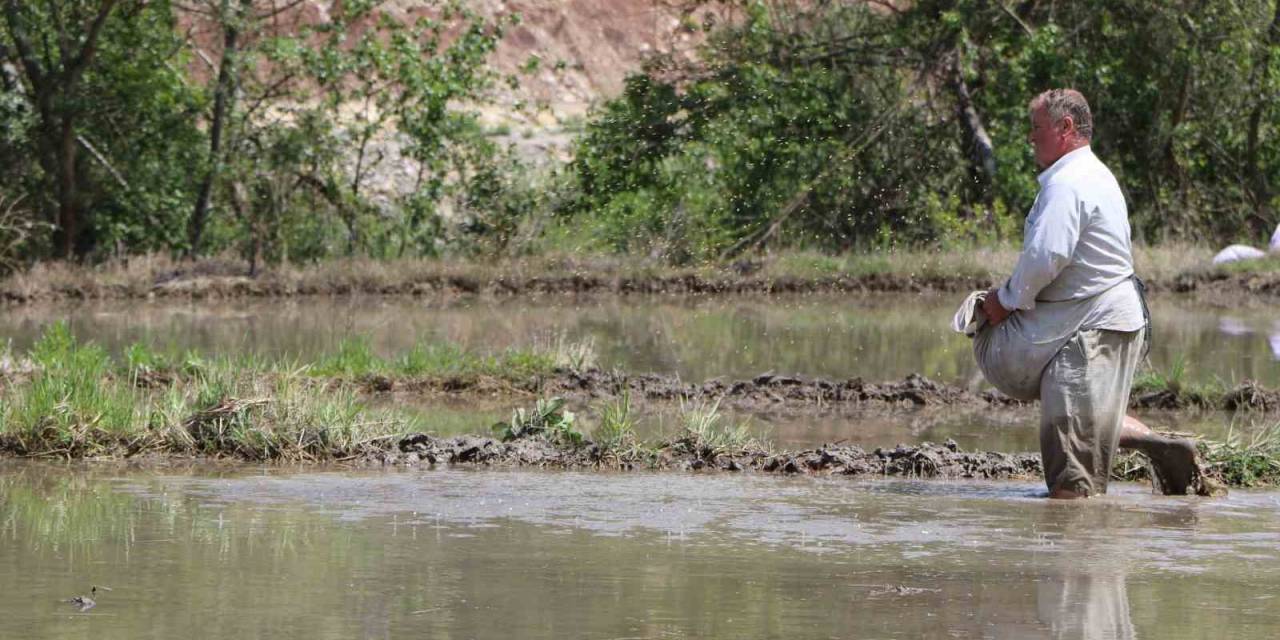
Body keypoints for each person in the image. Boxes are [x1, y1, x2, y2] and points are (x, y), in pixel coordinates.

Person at [981, 89, 1203, 499]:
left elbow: (1046, 257)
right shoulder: (1096, 174)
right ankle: (1161, 448)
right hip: (1114, 319)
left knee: (1070, 480)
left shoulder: (1068, 183)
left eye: (1036, 128)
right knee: (1080, 414)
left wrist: (1005, 299)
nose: (1031, 138)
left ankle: (1074, 554)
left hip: (1090, 328)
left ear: (1065, 128)